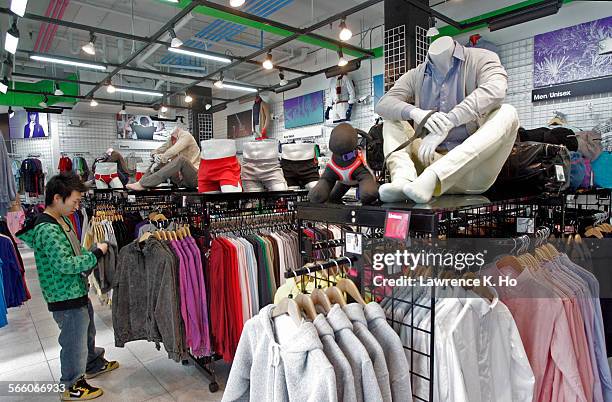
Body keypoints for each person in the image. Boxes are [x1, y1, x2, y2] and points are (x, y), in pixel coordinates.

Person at [17, 173, 119, 401]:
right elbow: (65, 263)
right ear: (57, 198)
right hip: (64, 295)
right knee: (73, 341)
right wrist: (95, 253)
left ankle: (92, 363)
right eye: (74, 201)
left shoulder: (62, 220)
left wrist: (88, 253)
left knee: (87, 330)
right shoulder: (48, 229)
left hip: (76, 290)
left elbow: (75, 249)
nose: (77, 206)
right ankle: (71, 384)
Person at [126, 126, 200, 190]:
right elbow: (156, 151)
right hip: (180, 180)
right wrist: (155, 156)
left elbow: (173, 151)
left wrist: (161, 158)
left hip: (194, 178)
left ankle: (143, 184)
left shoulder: (186, 135)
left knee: (181, 159)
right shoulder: (171, 139)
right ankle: (141, 183)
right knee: (158, 161)